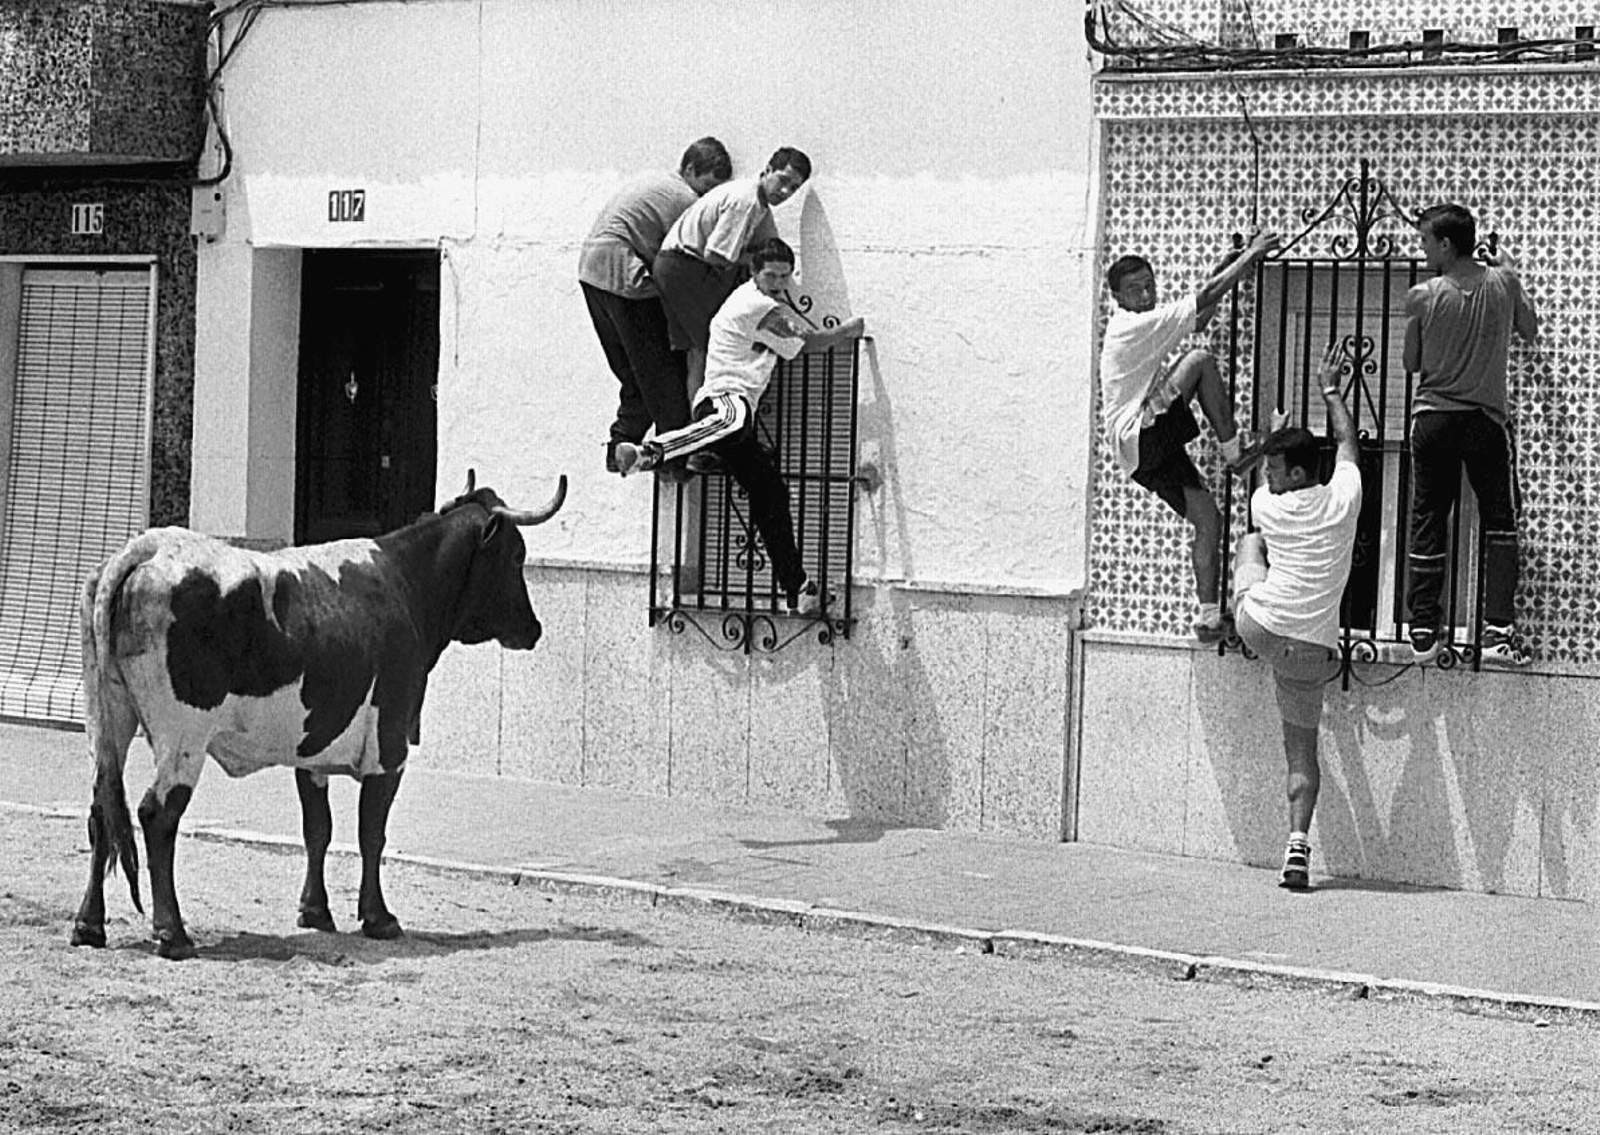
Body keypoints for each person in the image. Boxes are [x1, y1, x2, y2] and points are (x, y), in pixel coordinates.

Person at [615, 237, 864, 615]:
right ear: (754, 273)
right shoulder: (756, 305)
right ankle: (649, 452)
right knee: (731, 422)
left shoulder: (761, 302)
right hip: (723, 401)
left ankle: (797, 588)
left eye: (785, 275)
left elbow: (790, 343)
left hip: (734, 416)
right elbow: (807, 344)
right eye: (771, 275)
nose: (779, 282)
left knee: (772, 495)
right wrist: (847, 331)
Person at [1099, 229, 1282, 642]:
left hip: (1138, 456)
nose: (1146, 296)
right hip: (1141, 434)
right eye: (1135, 290)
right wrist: (1249, 256)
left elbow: (1198, 317)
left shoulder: (1145, 323)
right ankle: (1235, 452)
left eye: (1149, 286)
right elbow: (1203, 299)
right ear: (1118, 298)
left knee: (1209, 519)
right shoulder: (1131, 325)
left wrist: (1224, 263)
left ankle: (1207, 617)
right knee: (1199, 361)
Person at [1233, 344, 1362, 891]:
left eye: (1275, 469)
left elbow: (1252, 485)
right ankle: (1298, 847)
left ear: (1298, 472)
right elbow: (1349, 444)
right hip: (1313, 650)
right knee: (1302, 753)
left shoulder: (1267, 506)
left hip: (1261, 628)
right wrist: (1332, 391)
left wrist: (1271, 430)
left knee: (1249, 546)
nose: (1269, 476)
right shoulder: (1344, 499)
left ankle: (1220, 614)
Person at [1402, 203, 1540, 665]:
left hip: (1434, 419)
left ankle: (1423, 626)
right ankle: (1498, 627)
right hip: (1484, 420)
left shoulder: (1422, 296)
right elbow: (1530, 330)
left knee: (1428, 517)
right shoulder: (1502, 283)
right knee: (1500, 519)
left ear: (1445, 244)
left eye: (1425, 242)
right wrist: (1509, 273)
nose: (1422, 251)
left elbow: (1410, 362)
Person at [579, 137, 733, 477]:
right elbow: (692, 260)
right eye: (706, 186)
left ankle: (621, 444)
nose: (705, 199)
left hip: (592, 273)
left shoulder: (653, 182)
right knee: (665, 372)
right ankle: (675, 460)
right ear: (690, 169)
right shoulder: (683, 199)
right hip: (625, 275)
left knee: (635, 375)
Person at [653, 147, 812, 396]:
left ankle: (693, 421)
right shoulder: (746, 202)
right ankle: (706, 421)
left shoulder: (756, 204)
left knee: (697, 351)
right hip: (686, 267)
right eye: (783, 180)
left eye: (793, 188)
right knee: (710, 347)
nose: (785, 192)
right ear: (767, 170)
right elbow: (716, 255)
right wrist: (759, 261)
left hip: (674, 267)